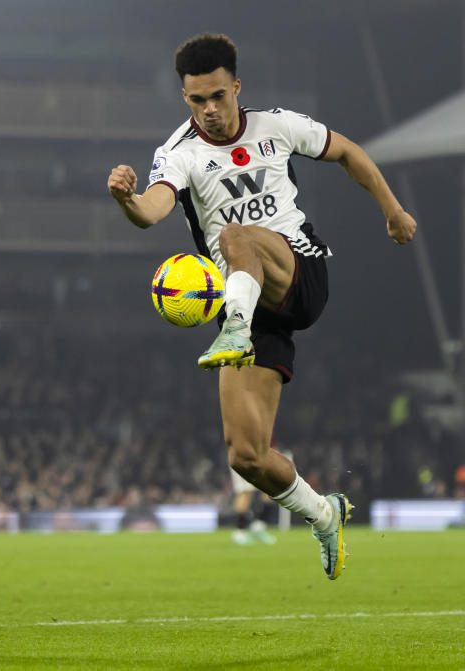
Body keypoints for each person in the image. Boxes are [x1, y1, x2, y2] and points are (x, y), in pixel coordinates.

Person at [107, 33, 417, 580]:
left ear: (236, 88)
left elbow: (347, 151)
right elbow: (155, 209)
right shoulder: (178, 153)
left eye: (218, 96)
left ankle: (235, 327)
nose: (210, 110)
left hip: (297, 269)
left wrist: (392, 210)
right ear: (185, 99)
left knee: (236, 236)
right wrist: (129, 200)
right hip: (249, 302)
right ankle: (324, 514)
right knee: (245, 456)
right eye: (197, 100)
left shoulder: (276, 125)